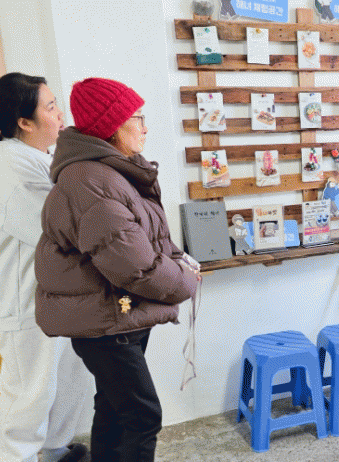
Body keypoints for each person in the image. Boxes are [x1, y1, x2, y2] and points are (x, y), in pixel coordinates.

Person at [34, 77, 200, 462]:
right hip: (109, 319)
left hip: (117, 312)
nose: (145, 128)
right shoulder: (92, 182)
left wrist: (180, 261)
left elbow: (147, 237)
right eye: (137, 118)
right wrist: (185, 281)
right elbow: (134, 267)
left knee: (113, 407)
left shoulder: (112, 172)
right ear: (112, 126)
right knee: (142, 417)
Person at [0, 72, 90, 462]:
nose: (60, 113)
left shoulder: (38, 156)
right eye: (51, 107)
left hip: (54, 298)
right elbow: (56, 227)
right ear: (24, 121)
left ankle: (55, 452)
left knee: (66, 384)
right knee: (29, 397)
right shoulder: (8, 163)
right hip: (23, 304)